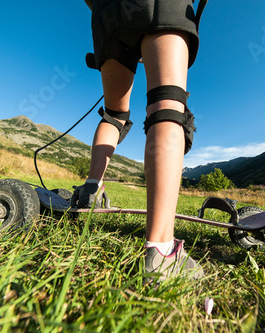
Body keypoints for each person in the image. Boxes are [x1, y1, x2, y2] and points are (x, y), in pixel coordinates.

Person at [80, 0, 204, 280]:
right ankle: (161, 249)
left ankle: (90, 191)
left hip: (108, 15)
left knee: (114, 115)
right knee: (167, 103)